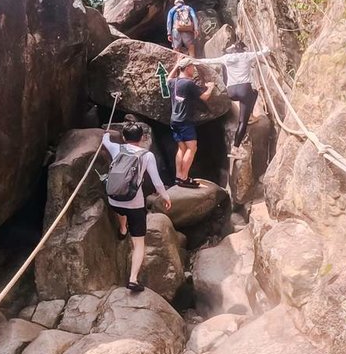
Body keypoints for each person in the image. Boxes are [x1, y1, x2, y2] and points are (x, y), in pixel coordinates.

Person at [102, 118, 172, 293]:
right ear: (141, 138)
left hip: (114, 199)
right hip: (135, 203)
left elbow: (105, 140)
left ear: (124, 138)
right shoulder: (146, 155)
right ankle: (133, 279)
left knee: (120, 210)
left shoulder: (116, 148)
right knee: (139, 243)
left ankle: (122, 229)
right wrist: (165, 196)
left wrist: (106, 133)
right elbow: (156, 182)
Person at [203, 41, 270, 159]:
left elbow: (210, 61)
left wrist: (194, 61)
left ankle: (250, 116)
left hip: (232, 92)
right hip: (244, 90)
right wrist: (264, 46)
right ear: (243, 49)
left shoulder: (227, 58)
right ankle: (236, 149)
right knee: (242, 122)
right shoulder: (247, 56)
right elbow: (266, 52)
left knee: (254, 92)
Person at [167, 57, 215, 188]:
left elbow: (167, 80)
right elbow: (204, 97)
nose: (193, 70)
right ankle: (184, 178)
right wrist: (211, 87)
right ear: (187, 68)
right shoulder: (188, 84)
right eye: (192, 67)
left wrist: (176, 65)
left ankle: (178, 176)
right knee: (192, 148)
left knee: (181, 148)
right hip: (185, 121)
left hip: (174, 120)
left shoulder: (174, 83)